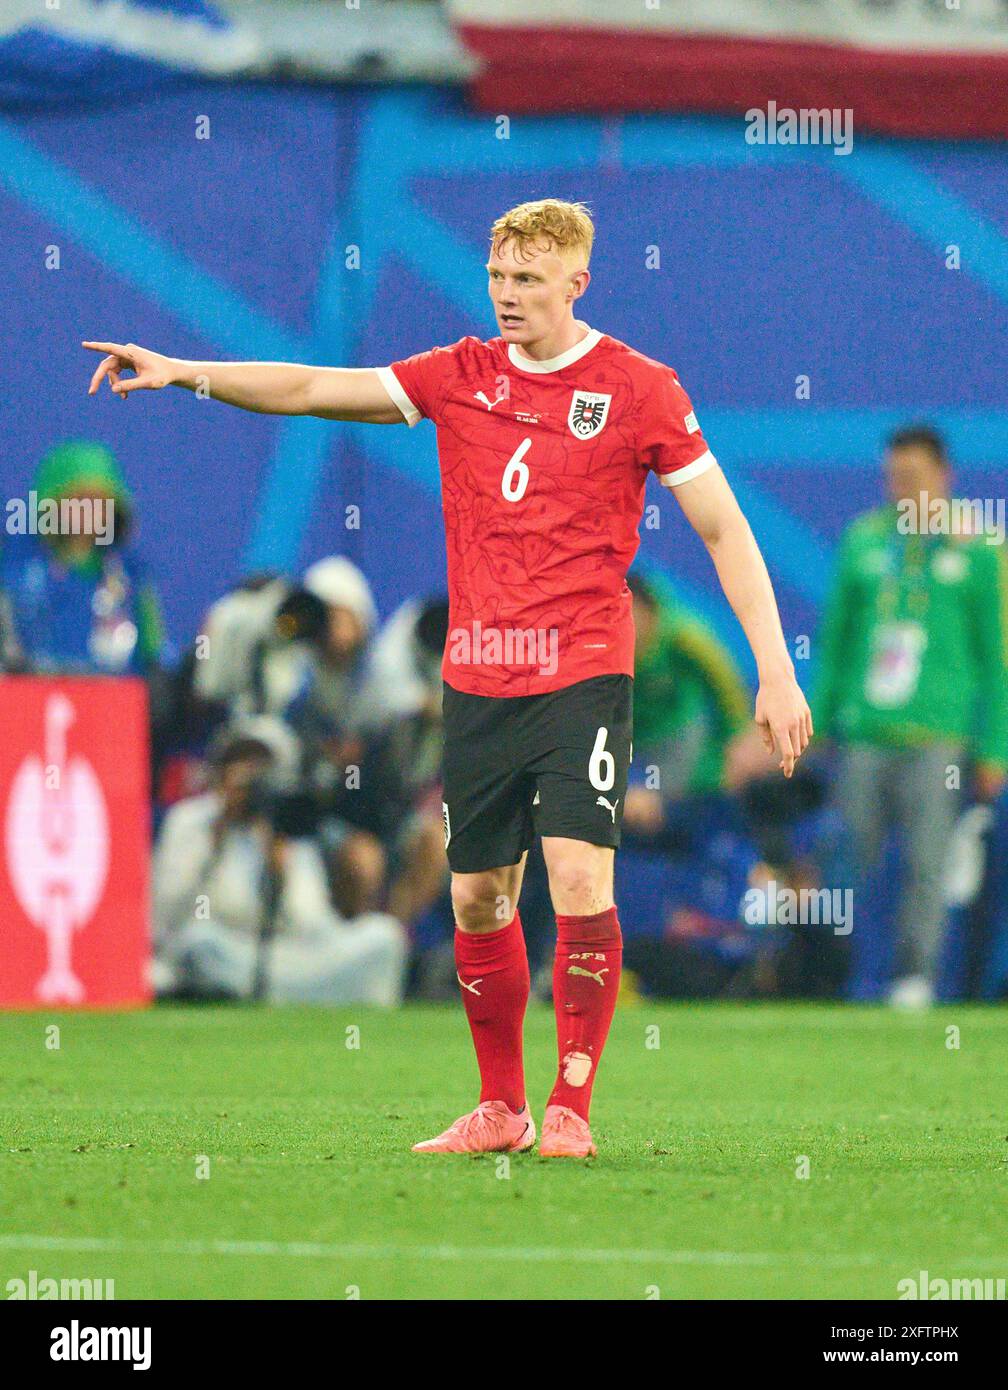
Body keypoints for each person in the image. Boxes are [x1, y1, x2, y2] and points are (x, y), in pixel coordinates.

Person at [84, 196, 811, 1158]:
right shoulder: (459, 375)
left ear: (576, 283)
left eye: (529, 281)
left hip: (583, 675)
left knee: (581, 872)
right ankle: (499, 1107)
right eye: (499, 277)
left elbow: (723, 527)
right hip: (479, 681)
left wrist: (775, 670)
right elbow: (309, 389)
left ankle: (570, 1110)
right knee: (477, 897)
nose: (508, 296)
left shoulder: (640, 389)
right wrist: (187, 374)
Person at [813, 425, 1008, 1007]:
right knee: (849, 860)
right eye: (896, 477)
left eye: (916, 477)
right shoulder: (864, 541)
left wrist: (995, 747)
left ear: (944, 477)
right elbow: (836, 643)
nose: (904, 489)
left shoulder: (980, 550)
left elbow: (997, 659)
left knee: (928, 863)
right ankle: (848, 974)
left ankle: (916, 979)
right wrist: (817, 724)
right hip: (865, 732)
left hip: (939, 736)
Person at [153, 723, 407, 1005]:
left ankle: (275, 994)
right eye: (241, 761)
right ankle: (306, 997)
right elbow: (166, 919)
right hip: (227, 946)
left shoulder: (287, 824)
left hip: (288, 956)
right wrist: (216, 842)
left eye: (261, 764)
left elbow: (311, 922)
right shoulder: (191, 819)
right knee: (198, 943)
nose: (250, 773)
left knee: (384, 935)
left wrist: (278, 865)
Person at [0, 439, 164, 676]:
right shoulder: (14, 566)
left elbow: (152, 651)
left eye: (100, 502)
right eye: (78, 501)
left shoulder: (131, 573)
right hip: (28, 701)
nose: (89, 511)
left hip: (111, 702)